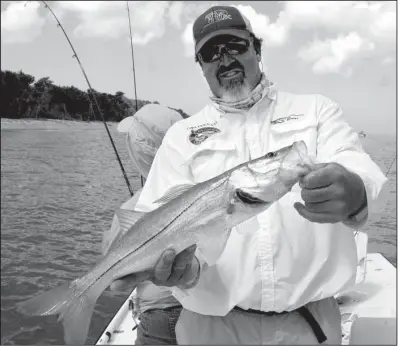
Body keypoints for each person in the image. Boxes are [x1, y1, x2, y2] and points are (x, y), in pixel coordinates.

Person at [113, 5, 388, 345]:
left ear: (256, 49)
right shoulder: (181, 135)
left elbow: (359, 167)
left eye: (235, 46)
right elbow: (156, 215)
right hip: (210, 329)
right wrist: (185, 273)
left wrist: (355, 190)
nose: (224, 59)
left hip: (309, 326)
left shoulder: (316, 110)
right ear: (201, 66)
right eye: (211, 53)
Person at [104, 104, 183, 345]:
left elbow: (113, 279)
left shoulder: (131, 209)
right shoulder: (206, 190)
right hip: (211, 315)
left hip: (162, 318)